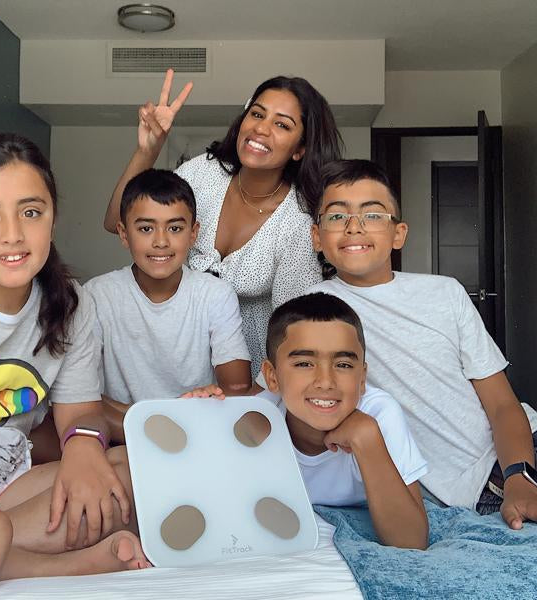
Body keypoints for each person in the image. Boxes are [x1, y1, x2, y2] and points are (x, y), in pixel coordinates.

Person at [0, 133, 149, 595]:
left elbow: (80, 410)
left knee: (140, 473)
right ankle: (48, 565)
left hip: (7, 486)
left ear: (52, 218)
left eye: (31, 212)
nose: (13, 234)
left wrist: (84, 448)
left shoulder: (70, 303)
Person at [308, 159, 537, 528]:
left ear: (398, 234)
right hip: (467, 490)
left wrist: (520, 476)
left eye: (372, 215)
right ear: (317, 236)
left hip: (521, 451)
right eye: (337, 216)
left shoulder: (445, 293)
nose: (354, 227)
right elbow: (277, 396)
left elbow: (501, 404)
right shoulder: (310, 311)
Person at [104, 70, 343, 375]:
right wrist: (148, 149)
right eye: (257, 114)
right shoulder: (203, 173)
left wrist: (262, 394)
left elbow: (296, 327)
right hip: (177, 361)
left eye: (282, 124)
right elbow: (117, 221)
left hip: (251, 376)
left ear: (300, 149)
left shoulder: (297, 223)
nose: (261, 128)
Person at [243, 293, 428, 549]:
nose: (326, 382)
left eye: (343, 365)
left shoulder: (379, 413)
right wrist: (199, 413)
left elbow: (411, 542)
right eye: (304, 363)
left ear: (362, 379)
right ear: (272, 377)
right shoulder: (256, 420)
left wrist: (367, 439)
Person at [86, 169, 251, 442]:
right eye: (146, 229)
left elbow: (236, 387)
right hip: (124, 438)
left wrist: (166, 424)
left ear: (193, 233)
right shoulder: (96, 296)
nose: (161, 242)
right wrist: (161, 426)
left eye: (175, 228)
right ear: (124, 234)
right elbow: (81, 397)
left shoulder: (215, 294)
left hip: (198, 436)